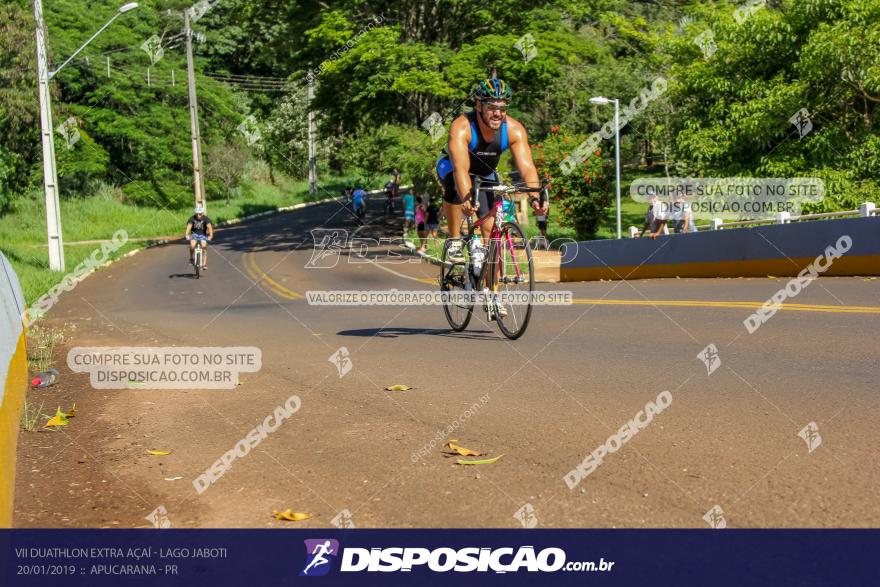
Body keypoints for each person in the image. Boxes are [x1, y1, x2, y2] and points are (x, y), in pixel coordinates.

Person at [435, 77, 545, 320]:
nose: (497, 113)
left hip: (486, 174)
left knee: (491, 234)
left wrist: (536, 195)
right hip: (453, 168)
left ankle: (492, 293)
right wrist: (467, 199)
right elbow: (461, 169)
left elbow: (527, 167)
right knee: (456, 185)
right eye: (492, 107)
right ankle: (454, 239)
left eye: (502, 108)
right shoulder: (462, 126)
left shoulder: (514, 129)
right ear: (479, 105)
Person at [185, 205, 213, 270]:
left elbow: (209, 227)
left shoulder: (206, 218)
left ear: (202, 213)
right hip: (194, 235)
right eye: (197, 214)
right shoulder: (192, 218)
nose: (198, 215)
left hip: (203, 235)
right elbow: (188, 227)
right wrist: (186, 234)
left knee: (204, 246)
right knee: (192, 245)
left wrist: (210, 236)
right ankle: (191, 258)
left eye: (200, 214)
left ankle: (204, 264)